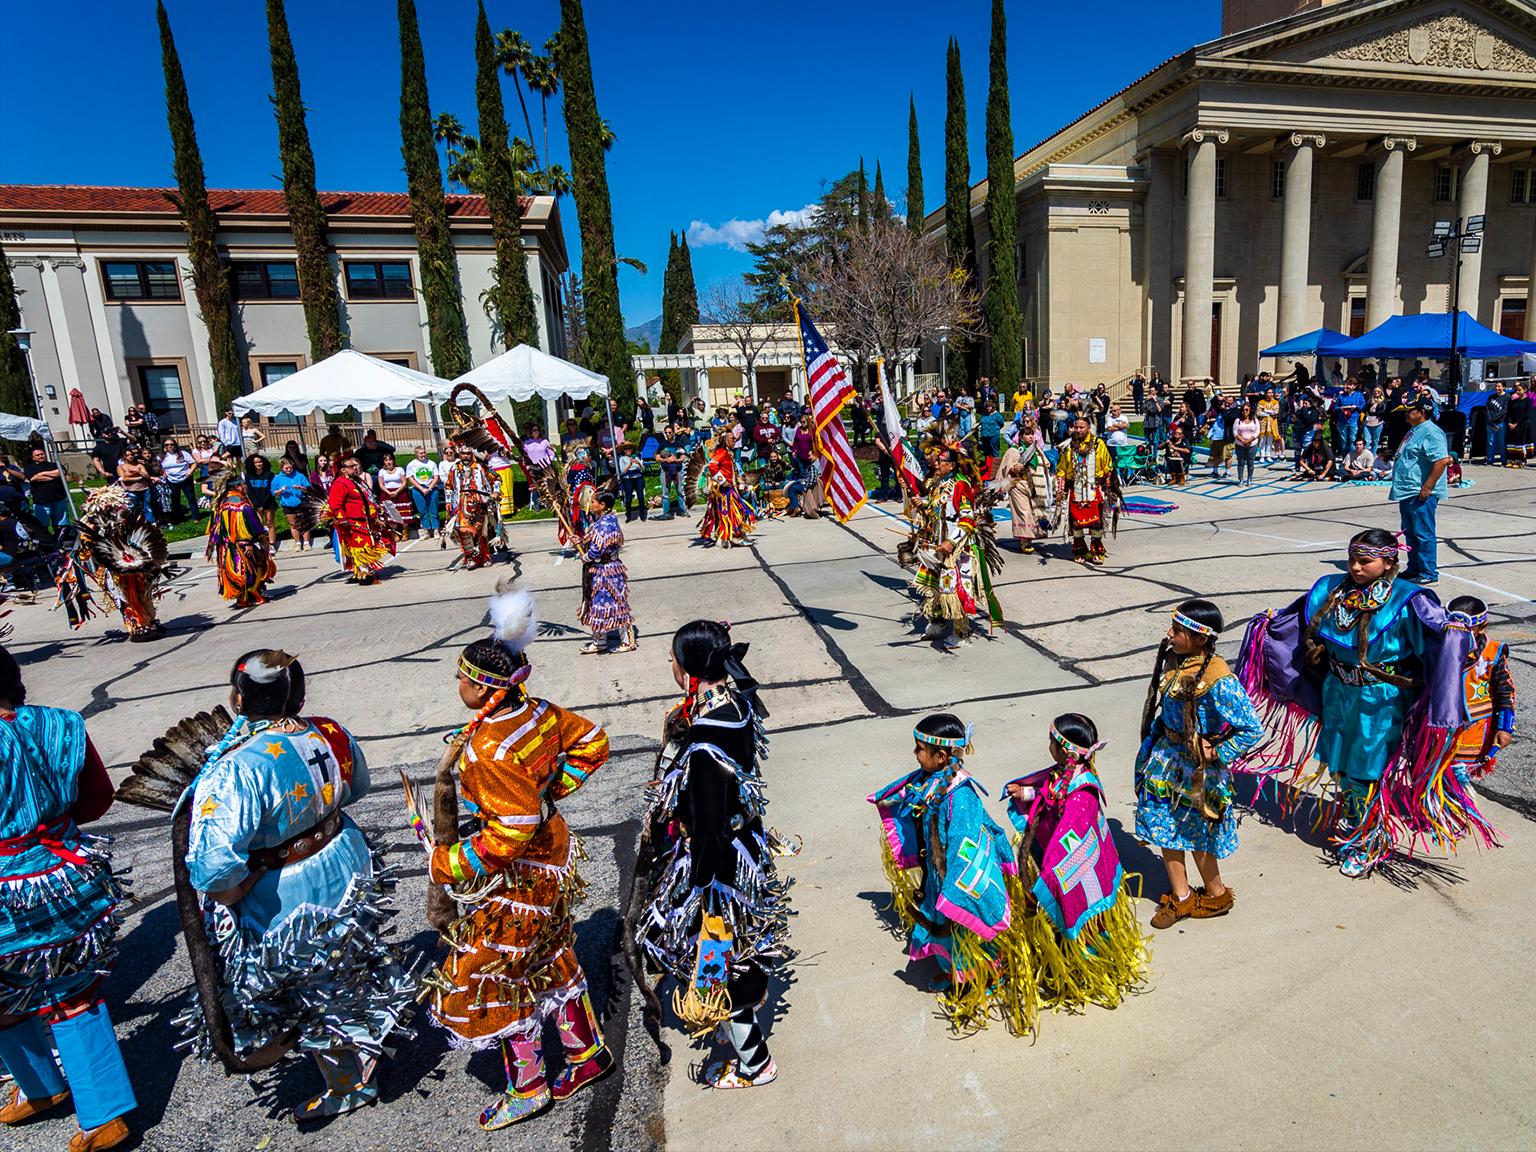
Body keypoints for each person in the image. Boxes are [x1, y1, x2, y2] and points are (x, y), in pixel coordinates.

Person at [185, 651, 418, 1121]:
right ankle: (367, 1032)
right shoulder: (328, 731)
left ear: (237, 697)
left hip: (285, 888)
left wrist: (235, 887)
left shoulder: (233, 768)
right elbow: (358, 786)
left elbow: (213, 869)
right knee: (349, 954)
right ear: (300, 695)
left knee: (309, 983)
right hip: (344, 855)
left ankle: (348, 1084)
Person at [426, 585, 614, 1128]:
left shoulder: (489, 751)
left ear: (483, 685)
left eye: (461, 676)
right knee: (549, 952)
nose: (456, 683)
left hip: (520, 876)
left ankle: (528, 1086)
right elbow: (593, 742)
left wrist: (450, 863)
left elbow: (509, 832)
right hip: (552, 856)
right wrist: (553, 791)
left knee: (493, 973)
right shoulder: (534, 713)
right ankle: (585, 1054)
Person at [1234, 529, 1497, 877]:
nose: (1355, 568)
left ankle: (1369, 841)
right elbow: (1300, 621)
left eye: (1365, 561)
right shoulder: (1332, 589)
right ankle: (1357, 823)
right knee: (1342, 765)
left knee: (1365, 769)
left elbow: (1437, 639)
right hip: (1338, 692)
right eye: (1352, 559)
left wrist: (1459, 635)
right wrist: (1268, 625)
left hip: (1380, 700)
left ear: (1389, 561)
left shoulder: (1409, 600)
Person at [633, 620, 790, 1085]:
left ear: (690, 668)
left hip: (718, 866)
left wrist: (700, 885)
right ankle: (730, 1037)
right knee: (737, 948)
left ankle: (754, 1064)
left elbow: (707, 827)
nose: (670, 664)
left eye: (673, 658)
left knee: (719, 956)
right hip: (745, 843)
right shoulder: (736, 699)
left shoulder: (704, 742)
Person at [0, 648, 135, 1151]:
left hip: (9, 893)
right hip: (70, 877)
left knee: (31, 996)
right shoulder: (62, 724)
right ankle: (65, 1097)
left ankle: (72, 1100)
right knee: (71, 991)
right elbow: (98, 797)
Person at [869, 714, 1030, 1034]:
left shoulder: (961, 794)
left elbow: (966, 844)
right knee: (942, 929)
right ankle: (955, 970)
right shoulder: (932, 780)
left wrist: (956, 889)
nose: (915, 754)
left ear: (941, 756)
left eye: (919, 749)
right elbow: (909, 793)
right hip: (939, 875)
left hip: (959, 879)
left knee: (965, 934)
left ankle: (982, 978)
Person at [1001, 713, 1149, 1023]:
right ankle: (1066, 963)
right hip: (1059, 864)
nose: (1049, 747)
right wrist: (1027, 793)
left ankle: (1085, 972)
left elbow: (1073, 837)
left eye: (1052, 742)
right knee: (1062, 918)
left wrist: (1050, 874)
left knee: (1083, 921)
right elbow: (1049, 795)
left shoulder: (1084, 791)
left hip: (1081, 873)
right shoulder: (1063, 773)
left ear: (1066, 751)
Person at [1133, 601, 1263, 929]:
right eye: (1173, 628)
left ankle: (1216, 894)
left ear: (1201, 638)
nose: (1170, 634)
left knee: (1198, 831)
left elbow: (1251, 727)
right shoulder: (1175, 660)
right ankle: (1182, 897)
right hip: (1165, 760)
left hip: (1198, 771)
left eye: (1178, 631)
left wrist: (1218, 749)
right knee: (1163, 825)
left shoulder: (1218, 676)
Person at [913, 448, 996, 643]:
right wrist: (923, 503)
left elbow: (967, 519)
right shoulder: (939, 483)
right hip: (938, 545)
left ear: (951, 465)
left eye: (940, 460)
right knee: (935, 588)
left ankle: (961, 631)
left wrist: (952, 542)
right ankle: (938, 622)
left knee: (956, 589)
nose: (935, 463)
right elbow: (937, 507)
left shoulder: (960, 485)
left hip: (958, 548)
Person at [1443, 596, 1517, 786]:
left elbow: (1505, 692)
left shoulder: (1493, 652)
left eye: (1465, 631)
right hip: (1438, 728)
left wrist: (1505, 727)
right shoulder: (1436, 648)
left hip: (1473, 730)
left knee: (1459, 781)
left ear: (1481, 627)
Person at [1392, 395, 1451, 586]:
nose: (1407, 414)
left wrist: (1427, 487)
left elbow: (1441, 461)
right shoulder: (1414, 430)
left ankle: (1428, 572)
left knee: (1423, 533)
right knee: (1410, 532)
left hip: (1421, 491)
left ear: (1422, 412)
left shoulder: (1431, 432)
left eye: (1410, 410)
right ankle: (1415, 567)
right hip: (1407, 490)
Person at [577, 489, 636, 654]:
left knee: (616, 605)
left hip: (608, 572)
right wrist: (580, 541)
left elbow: (596, 550)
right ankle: (599, 642)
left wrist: (586, 557)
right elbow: (592, 537)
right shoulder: (605, 519)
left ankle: (627, 641)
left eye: (593, 502)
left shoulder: (606, 523)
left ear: (602, 505)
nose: (591, 504)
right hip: (600, 571)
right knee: (597, 605)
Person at [205, 472, 276, 607]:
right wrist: (250, 541)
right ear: (238, 487)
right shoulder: (240, 503)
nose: (246, 487)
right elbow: (249, 525)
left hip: (225, 547)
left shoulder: (220, 502)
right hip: (241, 545)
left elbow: (214, 529)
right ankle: (253, 595)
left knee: (236, 570)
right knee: (254, 567)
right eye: (244, 484)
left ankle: (243, 598)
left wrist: (217, 543)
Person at [1055, 415, 1115, 564]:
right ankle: (1080, 549)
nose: (1078, 430)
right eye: (1076, 427)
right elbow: (1061, 469)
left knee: (1096, 522)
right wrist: (1060, 489)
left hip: (1094, 488)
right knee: (1076, 522)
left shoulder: (1098, 444)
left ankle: (1096, 549)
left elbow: (1108, 466)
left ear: (1089, 428)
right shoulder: (1069, 445)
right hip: (1076, 489)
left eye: (1082, 427)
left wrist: (1110, 486)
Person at [326, 457, 395, 584]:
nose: (355, 468)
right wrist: (342, 519)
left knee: (368, 545)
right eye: (351, 466)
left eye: (356, 466)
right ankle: (365, 575)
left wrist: (376, 514)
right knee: (360, 547)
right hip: (353, 521)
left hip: (366, 520)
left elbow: (369, 498)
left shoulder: (357, 481)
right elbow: (335, 504)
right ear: (343, 470)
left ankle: (361, 572)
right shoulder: (340, 483)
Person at [991, 414, 1051, 553]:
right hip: (1018, 485)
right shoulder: (1014, 450)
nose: (1031, 437)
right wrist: (1017, 467)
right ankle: (1024, 542)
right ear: (1021, 437)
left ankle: (1029, 539)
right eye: (1027, 435)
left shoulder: (1037, 450)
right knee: (1024, 513)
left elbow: (1046, 463)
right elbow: (1009, 467)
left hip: (1034, 486)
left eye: (1032, 435)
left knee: (1035, 513)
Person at [698, 429, 754, 548]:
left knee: (727, 514)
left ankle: (724, 537)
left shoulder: (726, 453)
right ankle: (734, 536)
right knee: (731, 513)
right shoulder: (721, 452)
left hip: (729, 488)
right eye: (732, 439)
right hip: (724, 491)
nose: (735, 440)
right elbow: (712, 466)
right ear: (724, 440)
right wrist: (722, 481)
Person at [447, 448, 494, 570]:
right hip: (461, 504)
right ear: (459, 455)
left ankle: (484, 557)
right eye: (463, 454)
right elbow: (449, 486)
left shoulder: (480, 467)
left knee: (480, 532)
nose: (466, 456)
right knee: (463, 531)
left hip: (479, 503)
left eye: (468, 453)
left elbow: (496, 478)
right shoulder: (454, 468)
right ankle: (471, 557)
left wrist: (496, 492)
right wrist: (448, 501)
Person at [22, 446, 69, 532]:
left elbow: (61, 472)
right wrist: (53, 476)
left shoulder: (54, 465)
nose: (40, 456)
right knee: (42, 526)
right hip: (42, 502)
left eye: (42, 454)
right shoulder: (29, 467)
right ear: (33, 458)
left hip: (59, 499)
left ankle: (63, 541)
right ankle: (46, 543)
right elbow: (33, 478)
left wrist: (41, 474)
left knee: (62, 525)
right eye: (37, 455)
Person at [270, 457, 312, 549]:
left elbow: (308, 489)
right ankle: (297, 543)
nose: (289, 470)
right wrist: (281, 490)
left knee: (303, 523)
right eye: (286, 468)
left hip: (300, 502)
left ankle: (306, 542)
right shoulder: (278, 478)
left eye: (290, 468)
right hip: (287, 504)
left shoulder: (299, 476)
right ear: (282, 468)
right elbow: (273, 492)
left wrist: (300, 488)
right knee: (293, 524)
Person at [375, 452, 414, 538]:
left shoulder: (400, 469)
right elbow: (381, 484)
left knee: (403, 514)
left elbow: (404, 482)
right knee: (392, 514)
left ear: (393, 460)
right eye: (386, 460)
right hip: (387, 494)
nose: (388, 462)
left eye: (390, 459)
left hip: (400, 493)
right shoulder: (381, 471)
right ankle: (396, 533)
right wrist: (388, 492)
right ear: (384, 462)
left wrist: (397, 491)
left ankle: (405, 531)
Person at [655, 423, 690, 520]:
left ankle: (683, 510)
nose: (668, 435)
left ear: (674, 433)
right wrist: (664, 460)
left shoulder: (678, 444)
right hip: (665, 470)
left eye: (670, 433)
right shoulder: (663, 444)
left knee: (680, 491)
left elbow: (684, 457)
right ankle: (666, 512)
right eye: (666, 433)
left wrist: (675, 460)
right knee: (665, 492)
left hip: (677, 470)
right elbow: (656, 456)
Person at [243, 453, 277, 548]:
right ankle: (263, 543)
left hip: (268, 502)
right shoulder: (248, 476)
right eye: (256, 462)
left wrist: (264, 504)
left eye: (260, 462)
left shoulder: (269, 474)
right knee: (259, 525)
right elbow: (249, 492)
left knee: (270, 523)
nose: (258, 464)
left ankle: (272, 544)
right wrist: (257, 505)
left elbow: (271, 490)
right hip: (256, 503)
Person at [405, 446, 440, 538]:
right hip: (418, 489)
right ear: (416, 454)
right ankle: (426, 530)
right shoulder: (411, 465)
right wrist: (421, 489)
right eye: (421, 453)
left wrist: (429, 488)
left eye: (424, 452)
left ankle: (436, 529)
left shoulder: (431, 463)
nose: (423, 455)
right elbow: (410, 478)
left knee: (433, 510)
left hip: (431, 488)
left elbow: (436, 477)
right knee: (423, 510)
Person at [1231, 400, 1260, 486]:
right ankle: (1241, 479)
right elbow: (1235, 432)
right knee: (1241, 462)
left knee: (1250, 462)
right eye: (1243, 410)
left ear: (1250, 410)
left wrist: (1249, 440)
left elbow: (1257, 432)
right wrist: (1243, 441)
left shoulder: (1254, 420)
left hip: (1252, 444)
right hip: (1240, 444)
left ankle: (1249, 479)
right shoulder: (1238, 420)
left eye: (1247, 410)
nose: (1245, 411)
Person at [616, 442, 646, 523]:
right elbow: (623, 471)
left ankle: (642, 514)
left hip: (638, 477)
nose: (628, 451)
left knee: (640, 497)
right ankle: (629, 515)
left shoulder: (636, 457)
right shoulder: (622, 459)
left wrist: (638, 463)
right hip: (628, 478)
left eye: (629, 449)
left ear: (632, 450)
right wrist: (630, 464)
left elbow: (643, 469)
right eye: (626, 449)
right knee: (628, 498)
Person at [1257, 387, 1283, 463]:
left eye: (1272, 393)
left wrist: (1265, 410)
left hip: (1272, 423)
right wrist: (1269, 413)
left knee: (1270, 440)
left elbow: (1276, 412)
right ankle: (1262, 455)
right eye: (1269, 393)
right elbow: (1258, 413)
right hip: (1263, 423)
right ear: (1265, 394)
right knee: (1262, 440)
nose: (1270, 394)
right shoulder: (1261, 402)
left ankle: (1268, 455)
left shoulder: (1275, 402)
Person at [1363, 385, 1388, 455]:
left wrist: (1374, 412)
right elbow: (1365, 409)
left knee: (1375, 441)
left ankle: (1373, 455)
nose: (1376, 393)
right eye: (1375, 391)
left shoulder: (1383, 401)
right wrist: (1370, 405)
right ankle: (1366, 455)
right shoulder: (1369, 400)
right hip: (1368, 422)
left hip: (1378, 422)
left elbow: (1383, 411)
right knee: (1367, 440)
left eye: (1378, 391)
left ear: (1381, 392)